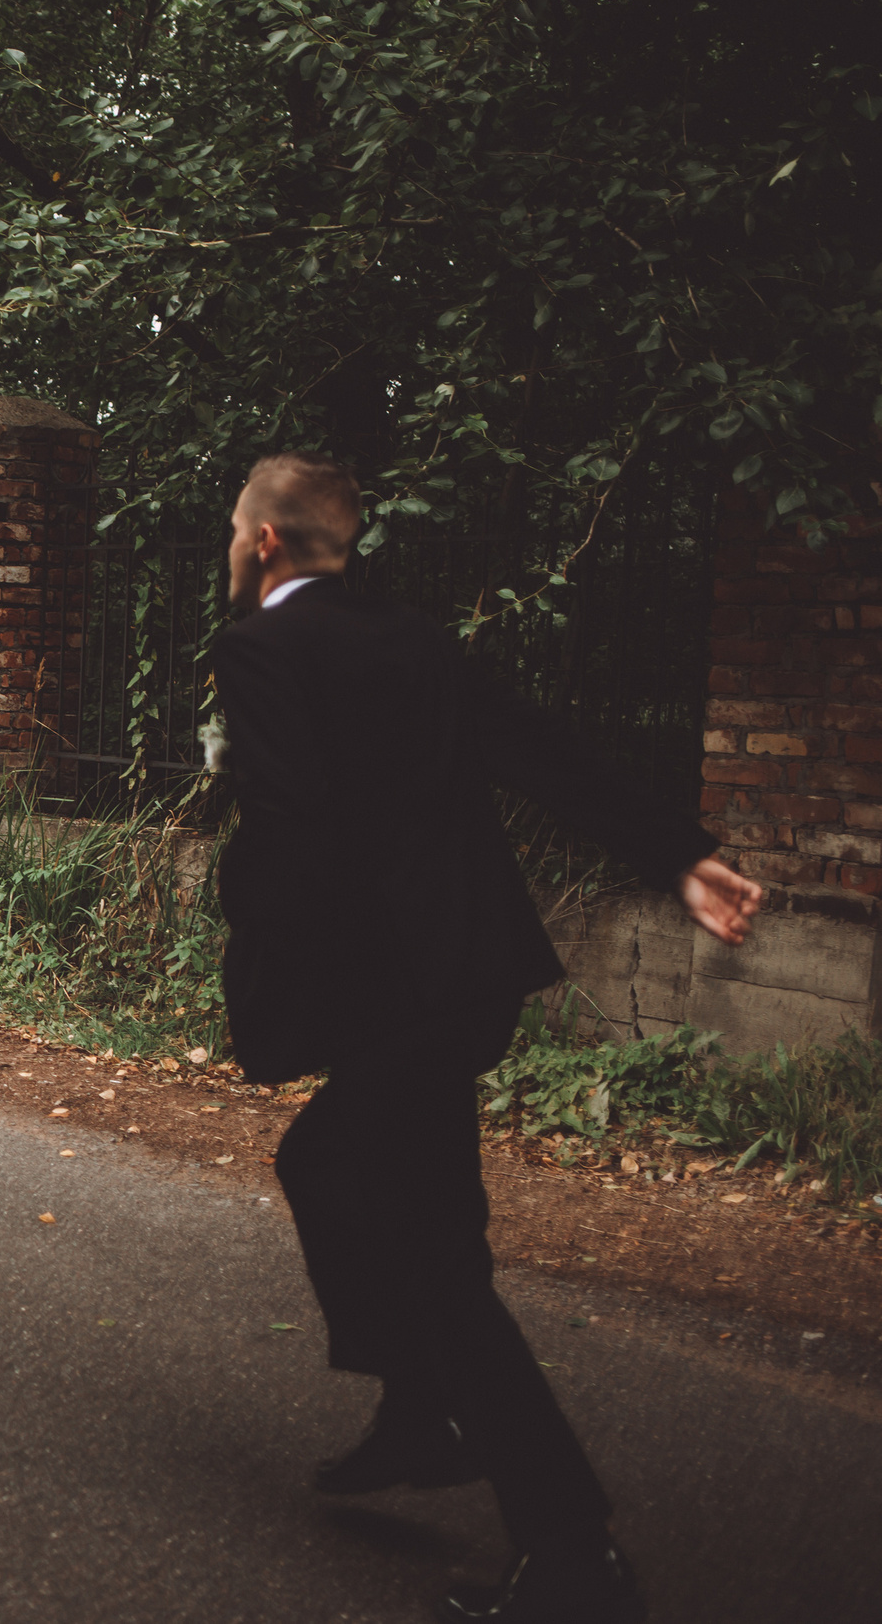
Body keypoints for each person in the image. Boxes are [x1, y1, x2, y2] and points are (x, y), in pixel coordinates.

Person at [212, 453, 762, 1624]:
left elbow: (291, 827)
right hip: (467, 979)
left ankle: (571, 1554)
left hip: (387, 991)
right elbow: (541, 748)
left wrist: (245, 926)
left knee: (425, 1256)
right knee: (356, 1179)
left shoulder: (261, 645)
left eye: (231, 532)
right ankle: (421, 1413)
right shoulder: (411, 639)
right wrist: (677, 856)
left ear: (263, 542)